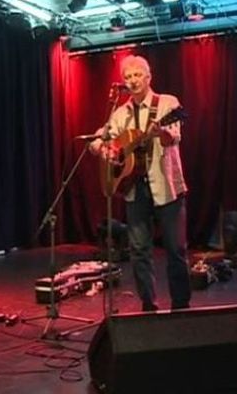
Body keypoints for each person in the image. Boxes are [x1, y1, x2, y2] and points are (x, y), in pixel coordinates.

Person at [90, 55, 191, 311]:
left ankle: (181, 307)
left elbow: (174, 139)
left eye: (137, 75)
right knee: (138, 251)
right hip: (135, 189)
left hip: (167, 187)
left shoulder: (168, 103)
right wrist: (107, 151)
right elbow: (97, 141)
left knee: (176, 249)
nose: (133, 81)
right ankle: (149, 306)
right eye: (128, 77)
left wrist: (162, 132)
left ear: (148, 77)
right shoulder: (120, 113)